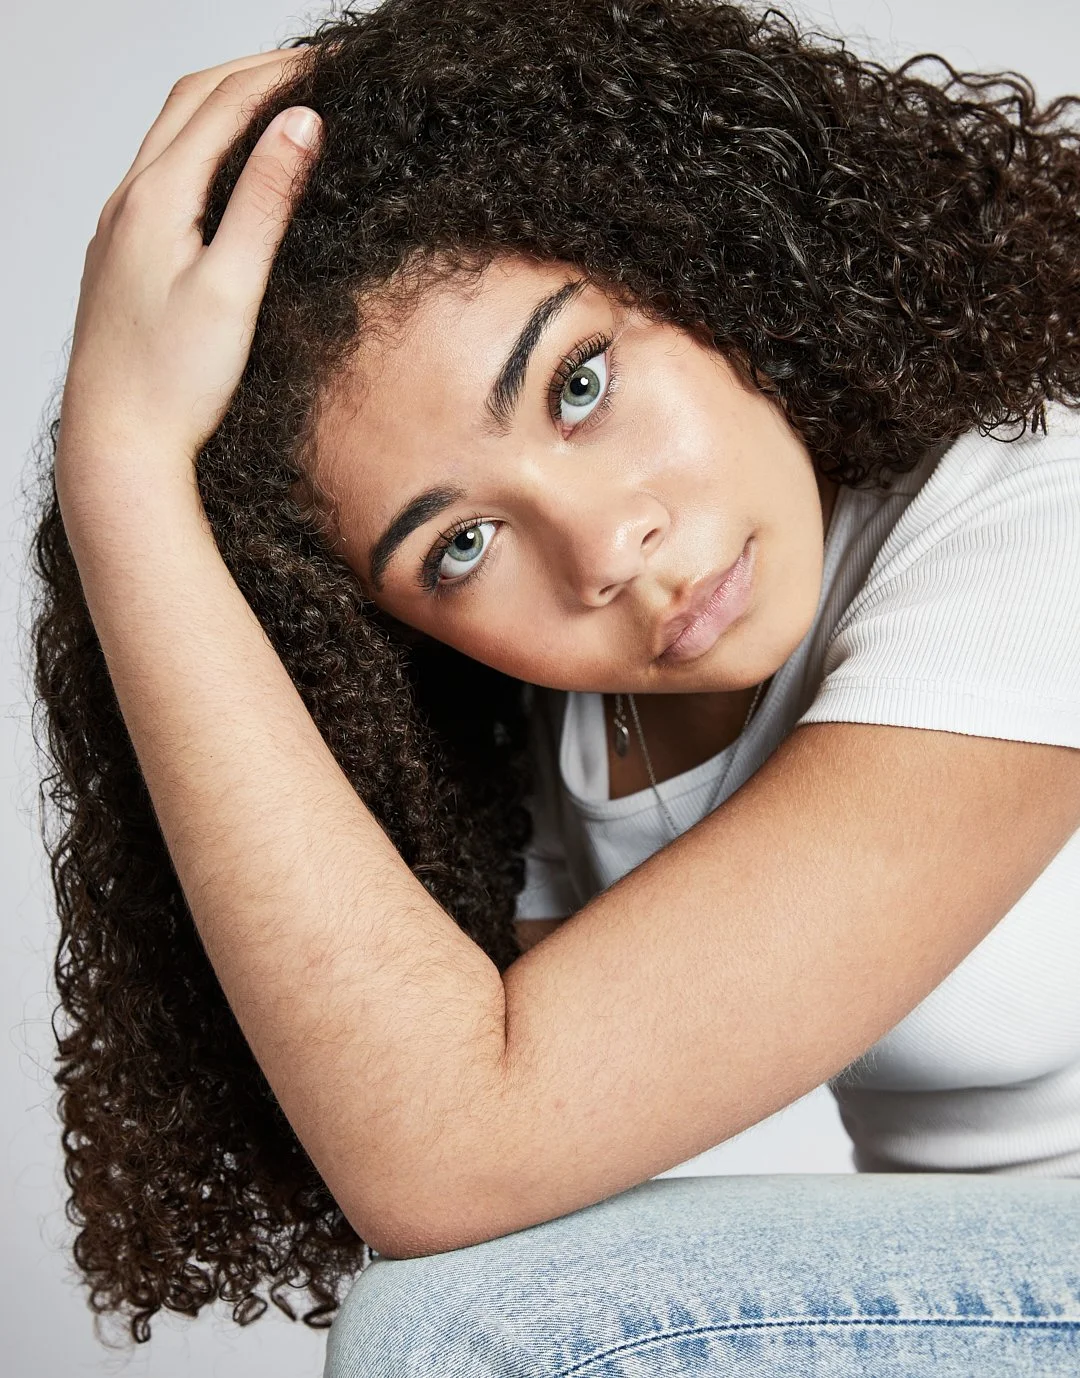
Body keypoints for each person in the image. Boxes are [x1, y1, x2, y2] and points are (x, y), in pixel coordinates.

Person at [31, 0, 1080, 1369]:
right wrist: (149, 491)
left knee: (477, 1326)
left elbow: (453, 1142)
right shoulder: (569, 728)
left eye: (580, 382)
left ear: (690, 252)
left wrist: (117, 477)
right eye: (459, 544)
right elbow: (426, 1112)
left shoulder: (1036, 515)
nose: (602, 551)